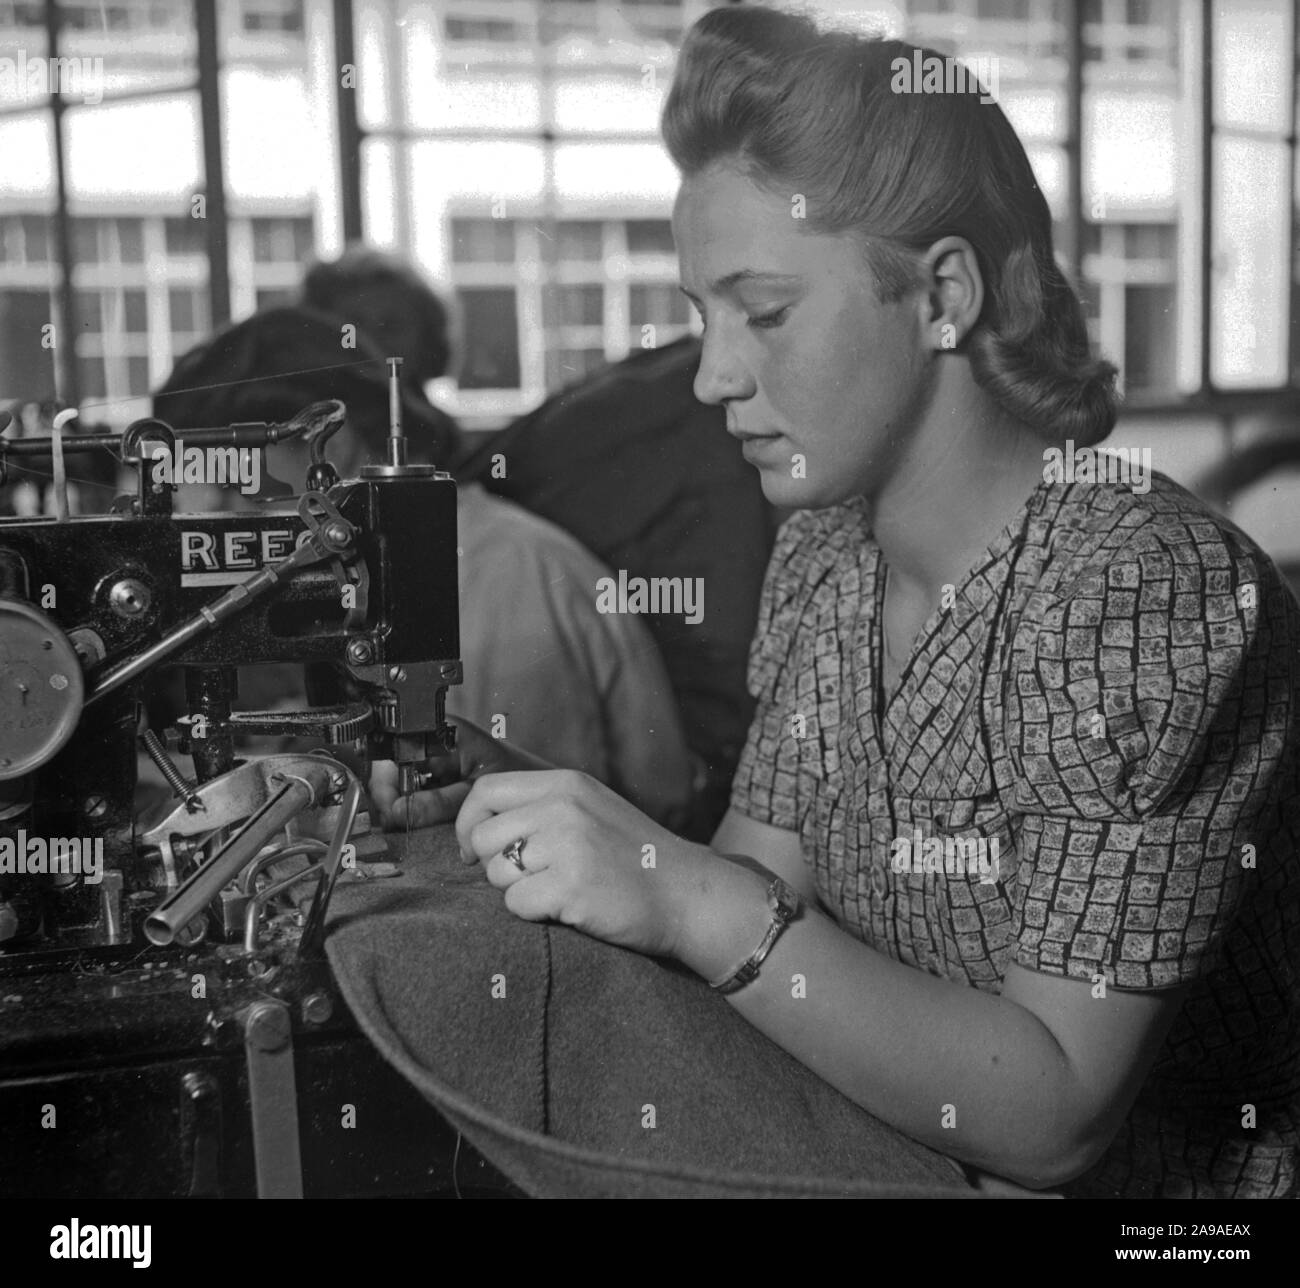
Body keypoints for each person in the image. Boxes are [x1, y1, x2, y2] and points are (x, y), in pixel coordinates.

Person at [372, 6, 1300, 1199]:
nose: (711, 376)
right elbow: (759, 896)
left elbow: (1053, 1108)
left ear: (940, 295)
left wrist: (673, 887)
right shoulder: (824, 555)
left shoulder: (1149, 589)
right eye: (702, 318)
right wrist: (512, 803)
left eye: (762, 313)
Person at [153, 283, 694, 829]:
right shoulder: (382, 565)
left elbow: (499, 813)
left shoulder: (506, 577)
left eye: (239, 491)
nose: (225, 522)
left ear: (329, 448)